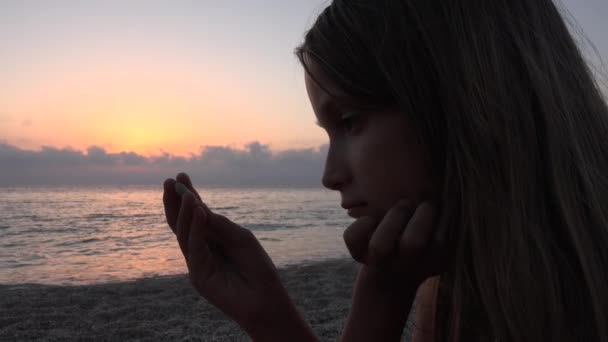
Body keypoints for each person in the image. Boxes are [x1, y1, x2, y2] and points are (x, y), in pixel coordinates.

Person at [162, 0, 608, 340]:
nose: (330, 176)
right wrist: (267, 312)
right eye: (327, 133)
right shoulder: (466, 285)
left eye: (350, 121)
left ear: (465, 100)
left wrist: (380, 297)